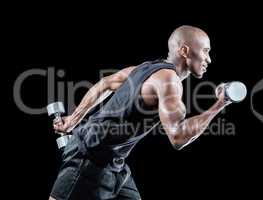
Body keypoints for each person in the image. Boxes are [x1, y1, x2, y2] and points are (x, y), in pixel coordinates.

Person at [49, 25, 232, 200]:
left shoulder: (146, 68)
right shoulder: (169, 82)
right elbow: (178, 137)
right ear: (184, 51)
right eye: (205, 51)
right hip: (88, 159)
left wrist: (73, 120)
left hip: (115, 163)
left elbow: (105, 83)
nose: (209, 59)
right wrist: (221, 103)